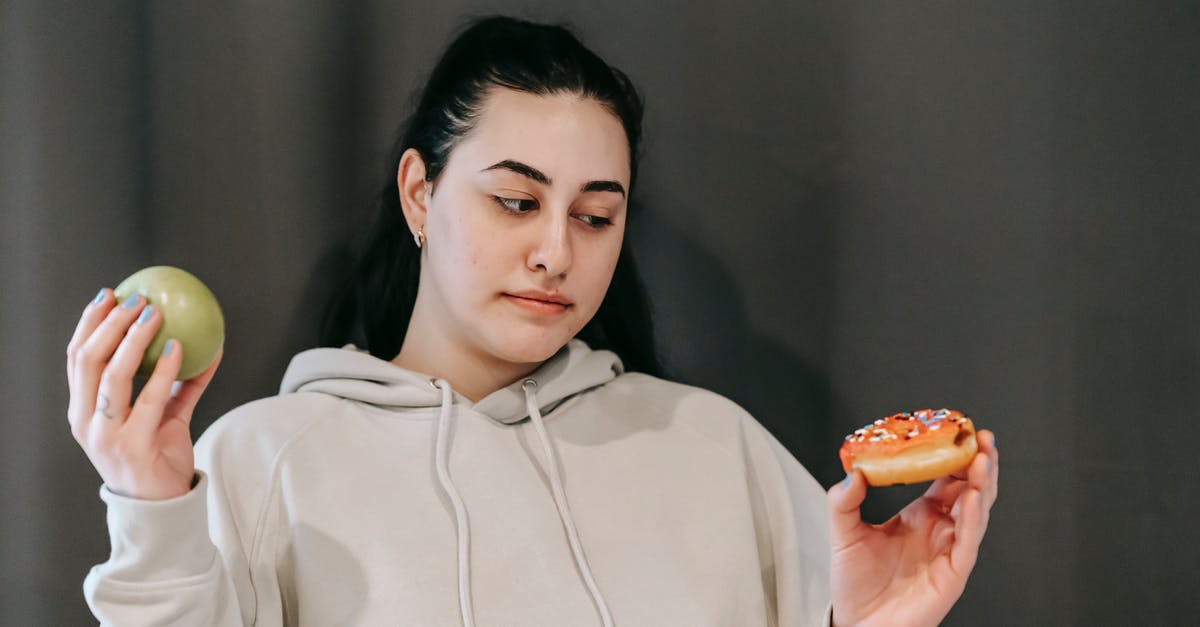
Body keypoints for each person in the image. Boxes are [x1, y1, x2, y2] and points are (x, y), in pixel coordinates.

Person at [66, 15, 999, 627]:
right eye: (516, 201)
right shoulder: (261, 460)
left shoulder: (718, 449)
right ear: (420, 192)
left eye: (595, 217)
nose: (557, 251)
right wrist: (150, 506)